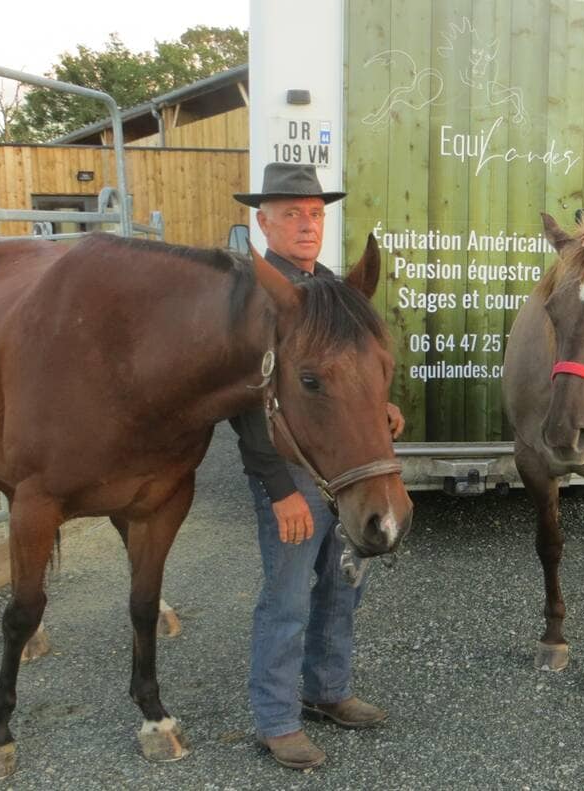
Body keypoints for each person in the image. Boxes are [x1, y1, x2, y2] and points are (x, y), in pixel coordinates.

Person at [230, 162, 405, 771]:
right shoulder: (258, 295)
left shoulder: (326, 288)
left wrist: (378, 407)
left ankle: (326, 690)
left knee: (343, 583)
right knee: (287, 597)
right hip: (294, 476)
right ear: (264, 221)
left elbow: (344, 376)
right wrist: (281, 491)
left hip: (341, 472)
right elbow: (249, 406)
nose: (307, 225)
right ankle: (276, 719)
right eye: (292, 214)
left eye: (315, 213)